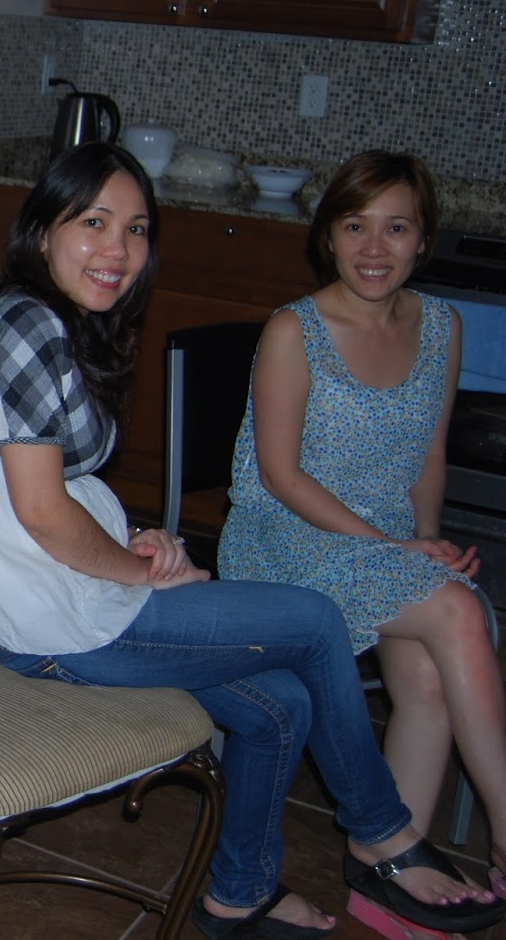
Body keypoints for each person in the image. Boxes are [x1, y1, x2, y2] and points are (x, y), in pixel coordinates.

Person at [0, 141, 503, 939]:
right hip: (48, 620)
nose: (117, 250)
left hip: (51, 596)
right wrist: (137, 571)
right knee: (314, 622)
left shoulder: (47, 323)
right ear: (43, 230)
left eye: (135, 229)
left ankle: (238, 894)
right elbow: (41, 512)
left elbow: (43, 489)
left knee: (281, 704)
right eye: (93, 222)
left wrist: (134, 538)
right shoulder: (27, 324)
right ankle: (380, 833)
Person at [219, 150, 506, 932]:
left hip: (383, 544)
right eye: (355, 226)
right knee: (459, 613)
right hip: (286, 539)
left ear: (423, 239)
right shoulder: (294, 329)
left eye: (396, 227)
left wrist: (425, 541)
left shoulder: (441, 326)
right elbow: (279, 476)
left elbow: (429, 455)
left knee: (430, 673)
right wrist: (394, 550)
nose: (374, 247)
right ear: (329, 237)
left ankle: (387, 875)